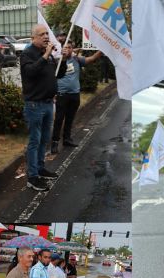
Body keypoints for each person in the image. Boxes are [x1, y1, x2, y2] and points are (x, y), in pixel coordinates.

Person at [20, 24, 68, 191]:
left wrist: (64, 58)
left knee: (44, 139)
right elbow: (30, 72)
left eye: (47, 34)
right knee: (35, 140)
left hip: (48, 103)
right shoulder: (28, 54)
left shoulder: (46, 55)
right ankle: (32, 177)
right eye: (42, 34)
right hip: (34, 105)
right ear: (33, 38)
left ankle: (40, 168)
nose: (46, 37)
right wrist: (46, 54)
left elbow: (59, 74)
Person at [51, 41, 102, 153]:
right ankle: (54, 143)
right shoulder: (57, 61)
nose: (67, 49)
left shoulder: (77, 60)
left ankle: (67, 139)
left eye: (69, 47)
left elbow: (92, 59)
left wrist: (103, 50)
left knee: (70, 118)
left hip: (74, 94)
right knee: (59, 119)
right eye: (65, 47)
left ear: (72, 49)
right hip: (61, 94)